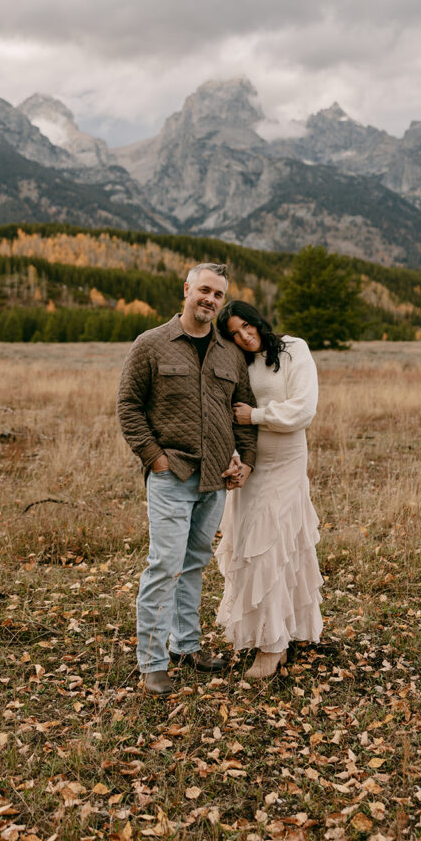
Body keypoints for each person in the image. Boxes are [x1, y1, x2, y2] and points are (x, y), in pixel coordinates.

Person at [116, 264, 257, 695]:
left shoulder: (229, 352)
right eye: (204, 290)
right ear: (187, 290)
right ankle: (153, 663)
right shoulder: (151, 345)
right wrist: (154, 459)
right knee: (165, 566)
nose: (210, 300)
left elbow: (244, 411)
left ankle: (187, 646)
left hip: (215, 480)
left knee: (194, 563)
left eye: (218, 294)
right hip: (171, 474)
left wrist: (245, 461)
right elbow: (128, 407)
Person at [215, 300, 323, 679]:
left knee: (274, 548)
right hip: (249, 463)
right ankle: (273, 629)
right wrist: (234, 454)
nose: (244, 336)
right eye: (234, 333)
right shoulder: (236, 361)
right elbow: (228, 413)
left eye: (247, 326)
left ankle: (272, 647)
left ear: (257, 320)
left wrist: (257, 415)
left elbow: (303, 410)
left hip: (286, 462)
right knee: (250, 546)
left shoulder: (294, 349)